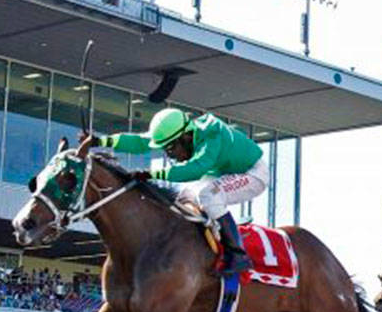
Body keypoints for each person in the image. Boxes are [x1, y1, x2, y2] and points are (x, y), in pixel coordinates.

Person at [98, 108, 267, 278]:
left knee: (209, 195)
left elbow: (195, 170)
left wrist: (151, 173)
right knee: (185, 197)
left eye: (171, 148)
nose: (169, 154)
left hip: (253, 173)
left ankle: (238, 255)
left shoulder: (211, 136)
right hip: (221, 170)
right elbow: (140, 141)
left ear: (186, 136)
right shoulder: (181, 130)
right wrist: (100, 141)